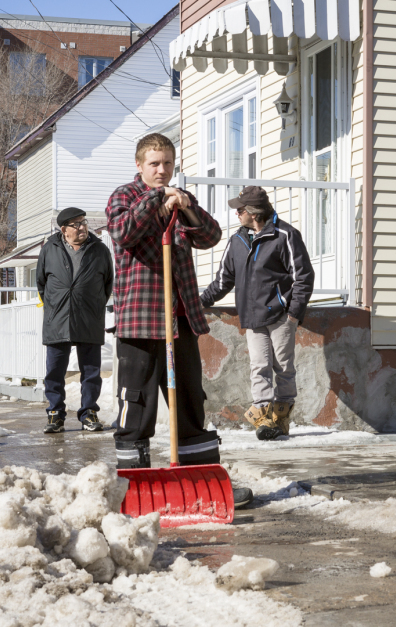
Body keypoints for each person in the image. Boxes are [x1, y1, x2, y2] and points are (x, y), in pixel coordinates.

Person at [105, 132, 252, 506]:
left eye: (167, 163)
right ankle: (132, 485)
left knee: (190, 401)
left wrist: (184, 207)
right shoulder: (125, 196)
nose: (162, 170)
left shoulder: (179, 202)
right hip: (140, 318)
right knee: (136, 402)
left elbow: (211, 235)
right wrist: (157, 198)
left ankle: (201, 481)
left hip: (180, 318)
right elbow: (124, 233)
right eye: (154, 163)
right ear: (139, 165)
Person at [200, 187, 315, 441]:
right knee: (259, 366)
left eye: (240, 209)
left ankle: (281, 420)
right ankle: (263, 418)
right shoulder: (237, 241)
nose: (236, 213)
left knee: (283, 366)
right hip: (252, 318)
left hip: (281, 316)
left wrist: (293, 313)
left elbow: (303, 277)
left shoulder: (285, 235)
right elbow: (223, 281)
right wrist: (199, 302)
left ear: (253, 213)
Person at [36, 207, 114, 434]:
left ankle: (89, 412)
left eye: (83, 222)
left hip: (89, 317)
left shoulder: (99, 249)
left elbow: (107, 282)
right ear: (64, 230)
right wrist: (55, 304)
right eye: (75, 224)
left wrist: (93, 303)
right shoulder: (50, 248)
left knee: (91, 371)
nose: (81, 227)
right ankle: (55, 414)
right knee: (54, 371)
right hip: (57, 318)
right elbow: (42, 283)